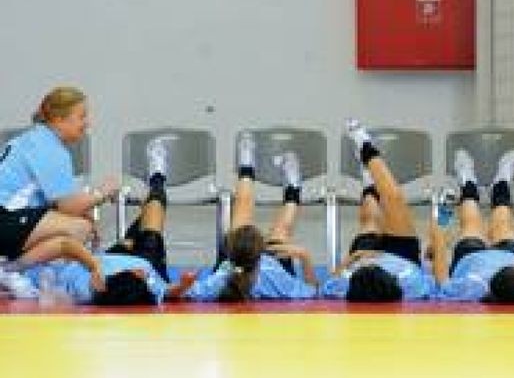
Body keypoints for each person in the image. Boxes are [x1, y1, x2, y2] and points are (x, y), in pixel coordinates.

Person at [11, 136, 196, 305]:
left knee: (137, 234)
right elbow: (169, 292)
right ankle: (157, 178)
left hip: (108, 258)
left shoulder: (79, 285)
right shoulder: (144, 277)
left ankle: (145, 208)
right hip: (140, 259)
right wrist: (183, 285)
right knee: (151, 226)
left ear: (98, 282)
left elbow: (65, 245)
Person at [185, 134, 317, 302]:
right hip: (272, 275)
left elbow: (190, 292)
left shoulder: (221, 280)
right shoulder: (275, 277)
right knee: (280, 233)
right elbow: (312, 291)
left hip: (241, 272)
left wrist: (186, 283)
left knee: (244, 216)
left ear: (230, 253)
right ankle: (291, 187)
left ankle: (249, 166)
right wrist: (304, 256)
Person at [321, 119, 438, 302]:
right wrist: (436, 248)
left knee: (370, 218)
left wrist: (353, 259)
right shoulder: (414, 285)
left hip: (361, 258)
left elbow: (331, 281)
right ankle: (366, 148)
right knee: (394, 200)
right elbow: (437, 278)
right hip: (402, 257)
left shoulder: (343, 286)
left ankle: (368, 181)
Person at [0, 87, 119, 261]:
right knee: (80, 229)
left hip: (8, 217)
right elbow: (69, 207)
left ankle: (17, 268)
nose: (87, 123)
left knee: (78, 224)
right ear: (59, 119)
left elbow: (60, 205)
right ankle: (12, 270)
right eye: (82, 116)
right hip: (5, 219)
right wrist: (102, 192)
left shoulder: (32, 138)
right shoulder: (49, 149)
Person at [433, 147, 514, 303]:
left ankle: (467, 181)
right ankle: (502, 182)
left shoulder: (471, 287)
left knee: (471, 222)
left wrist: (439, 239)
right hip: (509, 252)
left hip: (470, 256)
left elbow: (441, 279)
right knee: (502, 221)